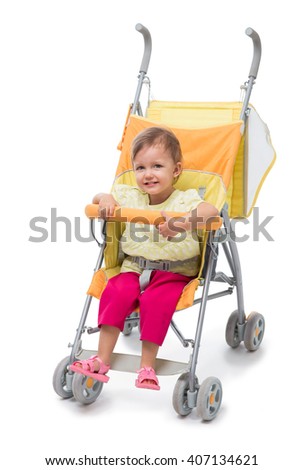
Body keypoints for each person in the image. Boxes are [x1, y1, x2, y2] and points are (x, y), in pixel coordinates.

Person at [70, 126, 218, 390]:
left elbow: (211, 210)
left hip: (174, 272)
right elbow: (100, 197)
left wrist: (184, 223)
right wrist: (104, 199)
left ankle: (147, 366)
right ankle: (101, 360)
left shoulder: (185, 200)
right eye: (140, 168)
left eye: (157, 166)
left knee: (155, 300)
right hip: (133, 267)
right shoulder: (130, 196)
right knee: (114, 290)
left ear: (176, 170)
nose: (148, 174)